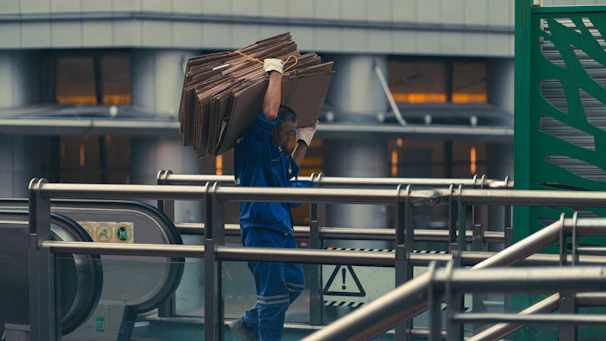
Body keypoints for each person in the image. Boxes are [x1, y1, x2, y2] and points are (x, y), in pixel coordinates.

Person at [228, 57, 318, 341]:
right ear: (275, 129)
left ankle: (249, 323)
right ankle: (258, 329)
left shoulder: (277, 152)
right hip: (262, 229)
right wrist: (275, 74)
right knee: (273, 298)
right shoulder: (255, 145)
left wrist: (304, 140)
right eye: (288, 133)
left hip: (281, 229)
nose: (290, 138)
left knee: (294, 284)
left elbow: (288, 172)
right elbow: (268, 116)